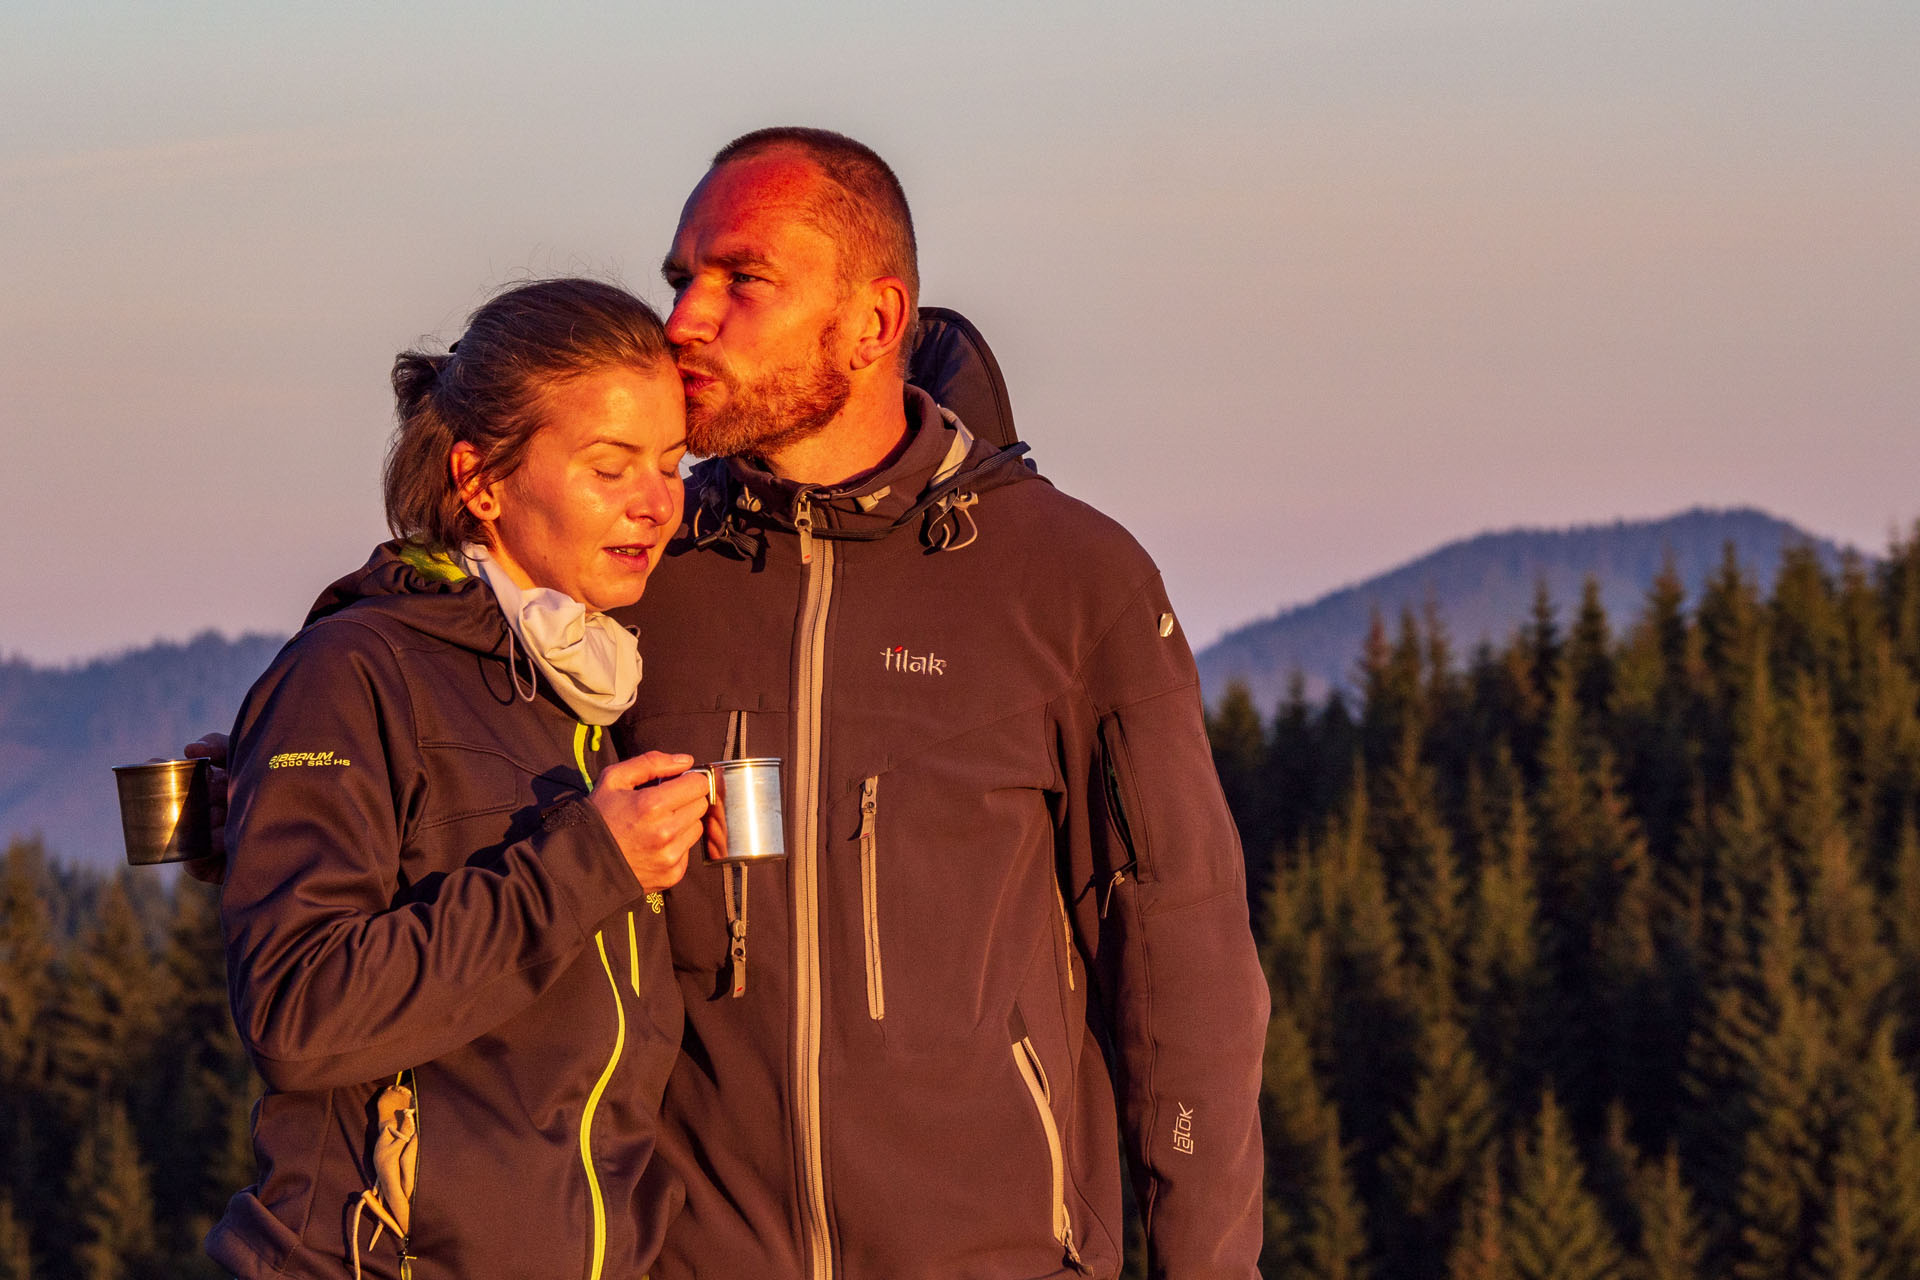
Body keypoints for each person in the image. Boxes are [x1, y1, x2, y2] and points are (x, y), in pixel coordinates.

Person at [617, 128, 1270, 1278]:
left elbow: (1184, 972)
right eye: (681, 280)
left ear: (874, 322)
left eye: (741, 279)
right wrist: (288, 758)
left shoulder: (1071, 580)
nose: (684, 321)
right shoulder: (641, 568)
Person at [206, 278, 712, 1280]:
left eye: (670, 462)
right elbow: (297, 1011)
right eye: (611, 466)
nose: (655, 501)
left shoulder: (594, 687)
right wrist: (583, 868)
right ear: (478, 479)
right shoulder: (352, 671)